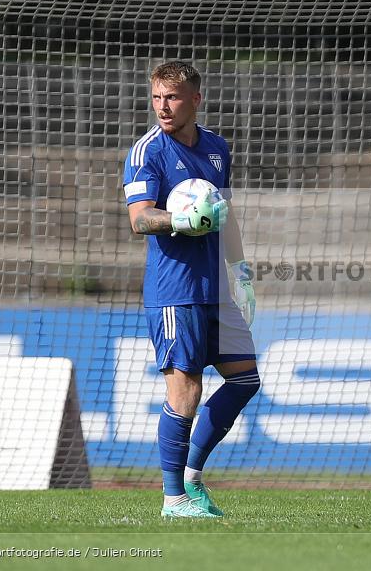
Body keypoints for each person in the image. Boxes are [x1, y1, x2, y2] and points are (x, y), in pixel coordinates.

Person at [123, 61, 259, 519]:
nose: (163, 106)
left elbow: (225, 214)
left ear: (195, 99)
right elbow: (140, 218)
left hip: (216, 288)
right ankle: (173, 501)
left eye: (173, 97)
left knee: (245, 379)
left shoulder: (217, 147)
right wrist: (180, 219)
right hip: (175, 290)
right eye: (157, 97)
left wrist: (240, 270)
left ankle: (191, 476)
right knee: (186, 391)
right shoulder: (146, 152)